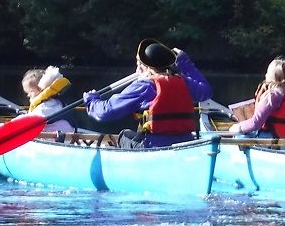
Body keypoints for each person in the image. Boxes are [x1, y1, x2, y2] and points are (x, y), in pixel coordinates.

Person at [83, 39, 213, 148]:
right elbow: (206, 91)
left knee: (124, 135)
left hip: (153, 146)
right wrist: (184, 62)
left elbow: (106, 112)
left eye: (138, 63)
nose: (137, 67)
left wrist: (91, 100)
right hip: (185, 144)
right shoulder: (184, 82)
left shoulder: (144, 86)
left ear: (143, 66)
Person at [228, 57, 285, 139]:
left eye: (267, 72)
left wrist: (238, 127)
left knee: (240, 136)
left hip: (272, 141)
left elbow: (255, 123)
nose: (265, 75)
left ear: (274, 77)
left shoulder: (272, 96)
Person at [21, 66, 74, 134]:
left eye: (31, 91)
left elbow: (29, 121)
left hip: (57, 140)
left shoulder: (46, 106)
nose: (28, 95)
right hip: (61, 137)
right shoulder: (57, 103)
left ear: (43, 89)